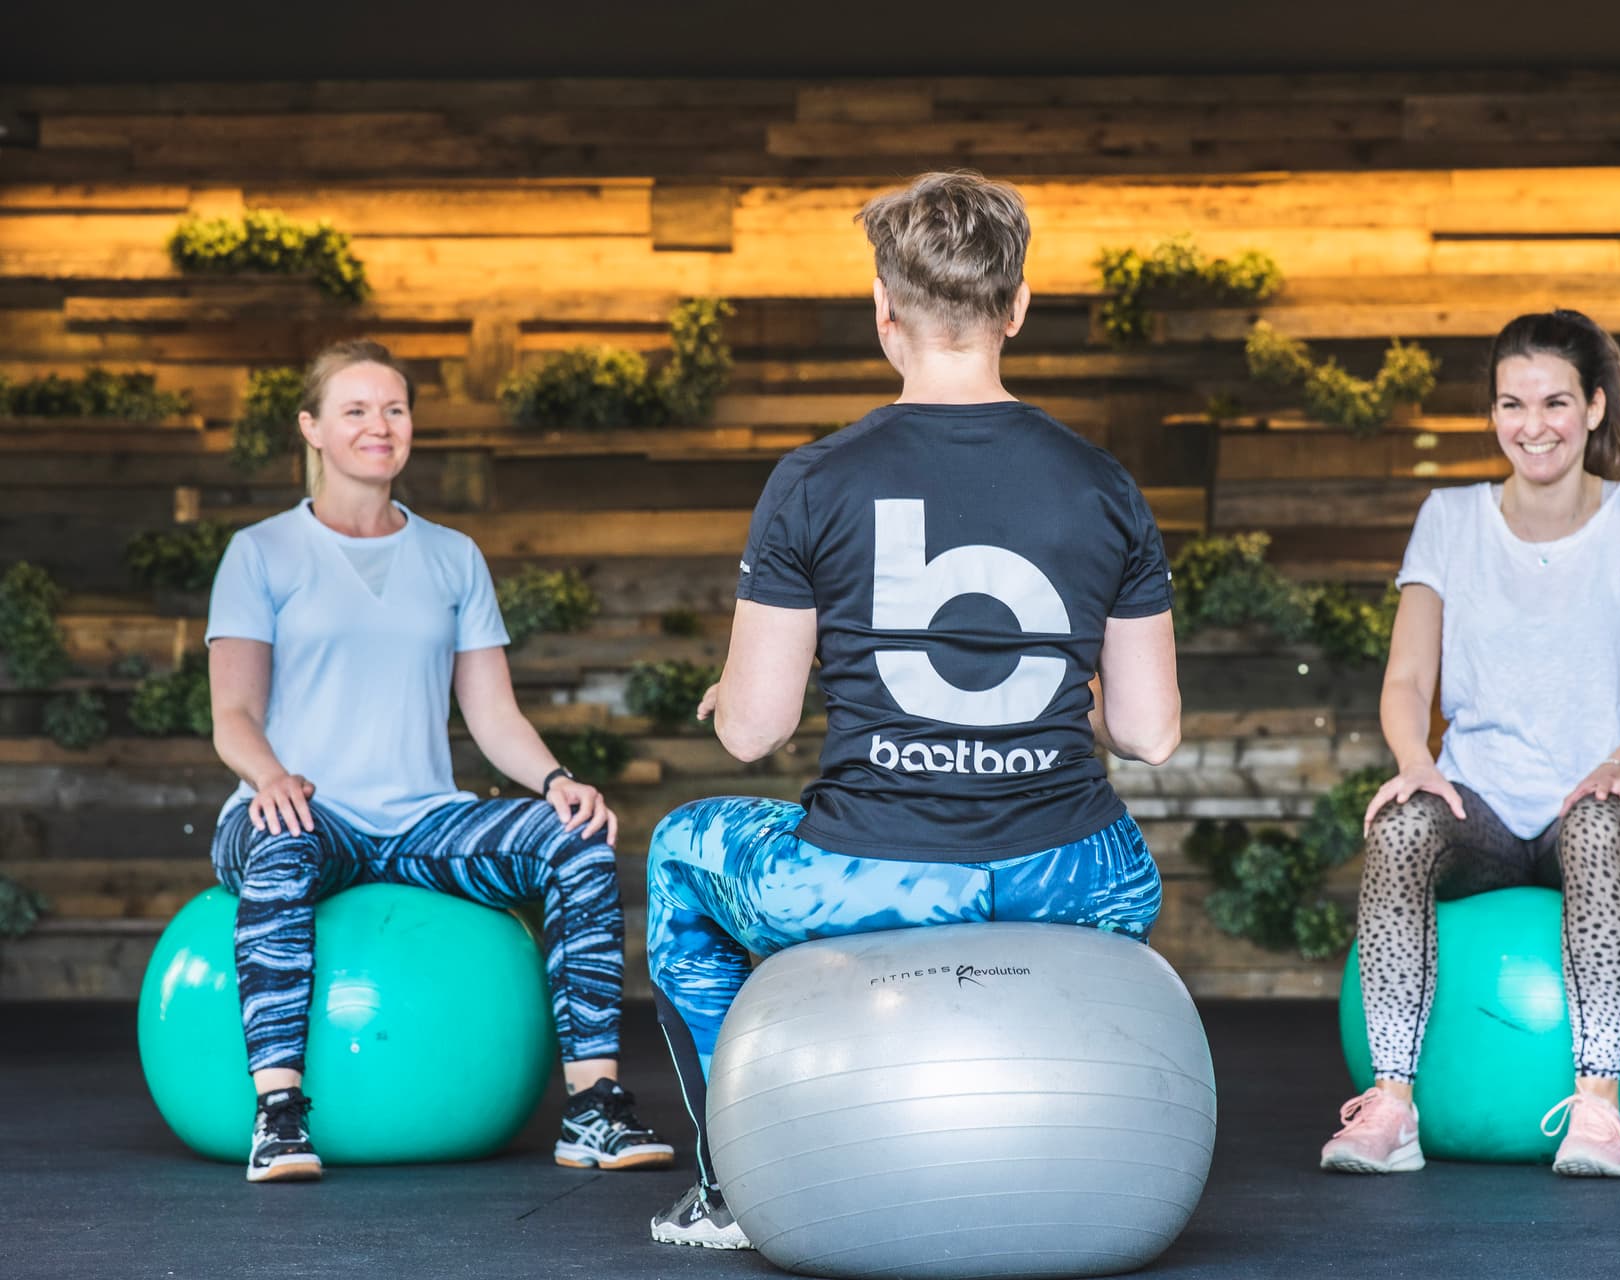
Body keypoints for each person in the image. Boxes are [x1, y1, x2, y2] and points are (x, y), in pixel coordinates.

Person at [644, 171, 1183, 1249]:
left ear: (883, 313)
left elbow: (752, 728)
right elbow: (1151, 730)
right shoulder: (1103, 483)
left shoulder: (813, 480)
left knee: (679, 847)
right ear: (1018, 309)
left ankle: (727, 1183)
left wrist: (730, 691)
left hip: (872, 878)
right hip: (1075, 873)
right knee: (1123, 852)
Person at [204, 340, 673, 1183]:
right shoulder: (261, 553)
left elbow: (493, 715)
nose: (378, 427)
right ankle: (278, 1117)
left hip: (419, 820)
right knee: (280, 844)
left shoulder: (453, 557)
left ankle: (592, 1110)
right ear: (311, 426)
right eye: (355, 410)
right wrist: (270, 777)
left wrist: (558, 783)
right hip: (298, 815)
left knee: (577, 840)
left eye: (394, 409)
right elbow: (232, 713)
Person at [1319, 310, 1620, 1179]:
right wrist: (1414, 765)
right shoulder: (1449, 519)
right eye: (1512, 404)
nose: (1533, 425)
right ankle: (1392, 1108)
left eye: (1555, 402)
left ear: (1596, 408)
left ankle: (1599, 1111)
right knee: (1400, 828)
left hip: (1614, 803)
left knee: (1598, 822)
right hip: (1486, 806)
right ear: (1492, 414)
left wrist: (1618, 762)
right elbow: (1408, 680)